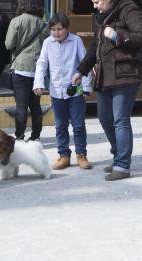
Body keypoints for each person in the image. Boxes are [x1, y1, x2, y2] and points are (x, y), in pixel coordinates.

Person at [74, 0, 142, 180]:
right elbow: (95, 46)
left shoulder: (129, 10)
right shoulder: (100, 17)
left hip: (126, 72)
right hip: (106, 74)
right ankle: (118, 156)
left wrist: (118, 36)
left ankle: (122, 165)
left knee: (120, 119)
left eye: (97, 2)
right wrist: (81, 70)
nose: (95, 6)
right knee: (104, 117)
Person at [34, 13, 93, 170]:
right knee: (60, 126)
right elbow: (41, 64)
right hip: (56, 91)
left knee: (78, 125)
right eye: (53, 29)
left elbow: (85, 63)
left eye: (59, 29)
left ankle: (81, 154)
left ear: (67, 28)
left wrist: (86, 87)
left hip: (75, 91)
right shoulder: (47, 43)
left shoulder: (76, 41)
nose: (56, 33)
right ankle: (63, 155)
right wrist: (38, 82)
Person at [5, 0, 49, 141]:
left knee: (21, 105)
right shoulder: (43, 24)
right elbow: (47, 46)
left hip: (20, 68)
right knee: (35, 105)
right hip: (37, 70)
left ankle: (19, 136)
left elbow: (8, 44)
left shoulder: (16, 21)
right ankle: (35, 136)